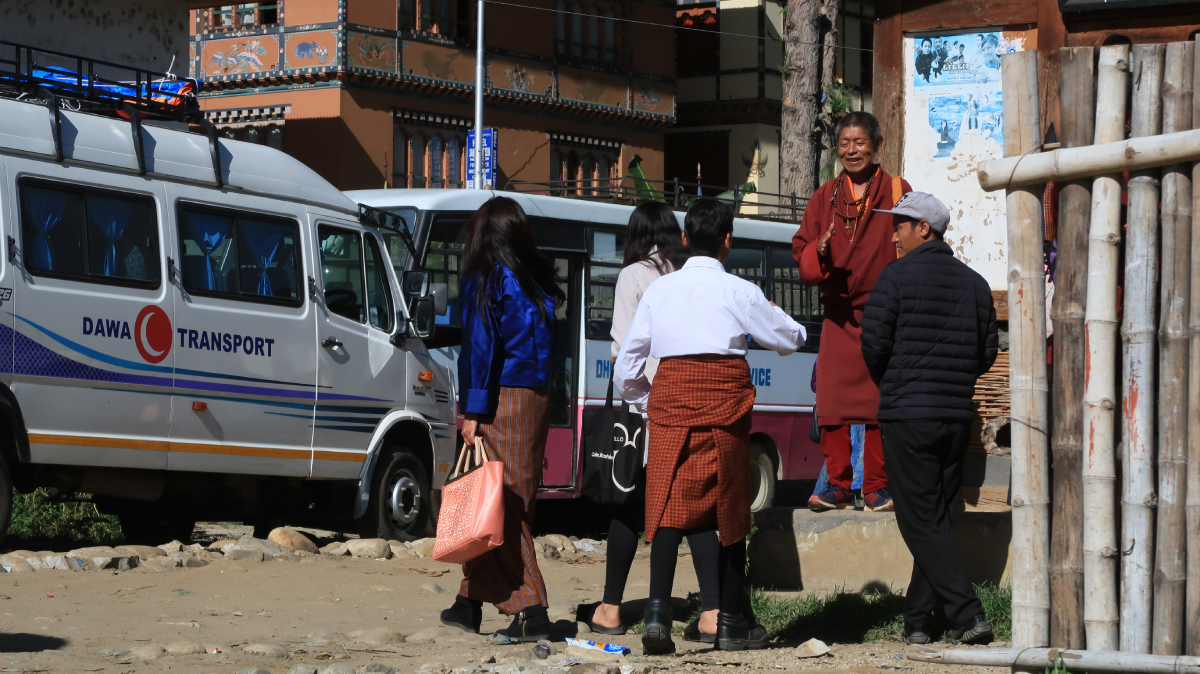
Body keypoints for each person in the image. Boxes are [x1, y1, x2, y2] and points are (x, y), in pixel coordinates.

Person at [615, 198, 805, 654]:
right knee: (731, 512)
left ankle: (658, 611)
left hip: (670, 410)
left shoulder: (660, 290)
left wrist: (650, 403)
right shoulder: (739, 291)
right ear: (728, 241)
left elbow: (626, 368)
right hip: (725, 413)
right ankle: (729, 622)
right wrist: (774, 314)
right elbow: (792, 338)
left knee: (663, 507)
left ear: (683, 239)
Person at [859, 192, 998, 646]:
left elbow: (874, 344)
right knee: (935, 516)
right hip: (956, 416)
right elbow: (986, 352)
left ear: (925, 228)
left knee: (919, 520)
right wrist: (952, 380)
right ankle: (918, 620)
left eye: (900, 223)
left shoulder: (894, 277)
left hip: (908, 415)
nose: (894, 232)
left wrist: (897, 383)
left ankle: (967, 614)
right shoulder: (976, 284)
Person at [586, 201, 722, 643]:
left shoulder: (634, 276)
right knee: (692, 507)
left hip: (647, 410)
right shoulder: (687, 278)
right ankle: (714, 611)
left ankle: (611, 608)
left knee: (628, 506)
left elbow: (624, 351)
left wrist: (643, 396)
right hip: (690, 406)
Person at [439, 196, 566, 642]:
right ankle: (467, 603)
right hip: (537, 399)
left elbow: (481, 348)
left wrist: (472, 411)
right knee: (505, 498)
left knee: (504, 507)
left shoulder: (488, 276)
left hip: (502, 400)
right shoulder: (534, 279)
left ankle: (533, 609)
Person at [791, 111, 910, 512]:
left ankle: (877, 486)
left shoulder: (896, 190)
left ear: (877, 146)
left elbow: (911, 240)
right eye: (844, 144)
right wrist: (818, 251)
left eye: (860, 143)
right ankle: (838, 485)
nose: (851, 150)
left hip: (883, 316)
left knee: (879, 406)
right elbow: (801, 250)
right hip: (839, 317)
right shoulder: (824, 196)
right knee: (832, 404)